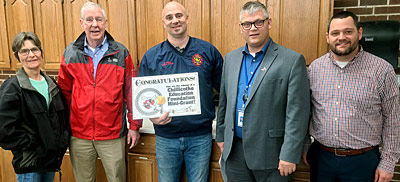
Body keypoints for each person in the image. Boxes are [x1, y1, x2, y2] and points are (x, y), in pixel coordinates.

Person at [215, 1, 310, 181]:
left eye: (259, 22)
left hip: (272, 155)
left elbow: (297, 113)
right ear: (241, 27)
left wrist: (289, 153)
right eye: (247, 24)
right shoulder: (231, 58)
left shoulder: (291, 60)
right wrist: (221, 135)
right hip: (234, 152)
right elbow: (225, 101)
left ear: (269, 23)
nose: (253, 28)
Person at [303, 11, 400, 182]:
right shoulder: (315, 69)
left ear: (359, 33)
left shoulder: (382, 70)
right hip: (321, 158)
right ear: (327, 37)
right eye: (335, 33)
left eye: (348, 31)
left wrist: (388, 163)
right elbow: (306, 112)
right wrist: (305, 146)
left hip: (362, 161)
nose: (341, 37)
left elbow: (393, 119)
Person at [138, 2, 223, 181]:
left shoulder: (207, 51)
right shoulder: (152, 56)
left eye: (179, 16)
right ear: (163, 22)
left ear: (187, 19)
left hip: (200, 136)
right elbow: (143, 95)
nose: (175, 21)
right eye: (169, 17)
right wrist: (152, 115)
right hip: (166, 137)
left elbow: (222, 89)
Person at [57, 2, 141, 182]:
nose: (94, 24)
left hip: (112, 134)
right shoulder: (71, 53)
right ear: (82, 23)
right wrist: (64, 128)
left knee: (117, 179)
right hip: (79, 135)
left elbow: (131, 91)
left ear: (105, 22)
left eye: (99, 19)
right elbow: (63, 94)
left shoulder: (120, 52)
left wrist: (134, 126)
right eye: (89, 20)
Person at [0, 32, 70, 182]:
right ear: (17, 56)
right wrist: (31, 144)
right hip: (30, 164)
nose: (31, 55)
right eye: (24, 51)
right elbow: (4, 128)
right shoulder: (13, 87)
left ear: (41, 52)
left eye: (35, 49)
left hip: (50, 162)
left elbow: (61, 119)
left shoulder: (51, 84)